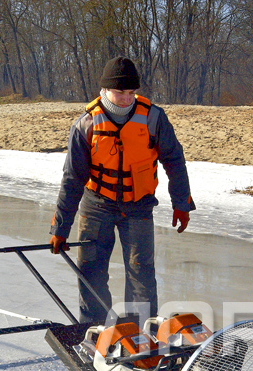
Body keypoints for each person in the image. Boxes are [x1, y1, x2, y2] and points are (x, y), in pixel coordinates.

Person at [50, 56, 194, 325]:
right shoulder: (86, 124)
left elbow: (174, 160)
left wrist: (181, 203)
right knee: (91, 271)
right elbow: (72, 180)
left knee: (141, 275)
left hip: (138, 207)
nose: (127, 98)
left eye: (132, 92)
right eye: (120, 92)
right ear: (104, 90)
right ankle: (93, 331)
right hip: (96, 206)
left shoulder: (154, 118)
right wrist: (60, 228)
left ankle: (139, 335)